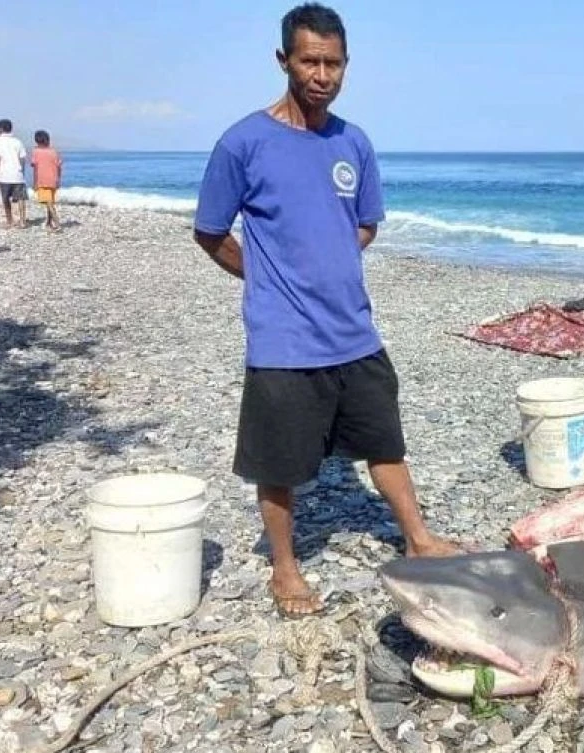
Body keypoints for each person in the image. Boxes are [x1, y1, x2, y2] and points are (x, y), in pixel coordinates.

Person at [192, 2, 464, 618]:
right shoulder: (242, 143)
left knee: (384, 441)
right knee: (279, 460)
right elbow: (210, 232)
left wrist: (329, 263)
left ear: (346, 66)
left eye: (333, 63)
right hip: (282, 339)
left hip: (354, 330)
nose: (322, 74)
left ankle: (418, 538)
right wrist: (267, 275)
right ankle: (284, 568)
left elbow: (363, 225)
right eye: (310, 60)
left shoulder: (354, 143)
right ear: (283, 59)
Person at [0, 119, 28, 229]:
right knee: (21, 199)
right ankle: (22, 221)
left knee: (6, 199)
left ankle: (9, 220)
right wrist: (22, 171)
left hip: (4, 174)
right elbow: (22, 159)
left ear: (0, 129)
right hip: (17, 174)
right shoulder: (18, 141)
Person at [30, 130, 63, 231]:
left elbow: (35, 168)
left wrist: (35, 182)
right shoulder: (54, 152)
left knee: (49, 203)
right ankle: (49, 222)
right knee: (50, 201)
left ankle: (57, 223)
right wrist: (58, 179)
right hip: (53, 179)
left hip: (42, 180)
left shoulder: (36, 152)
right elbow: (59, 167)